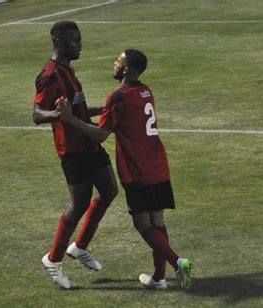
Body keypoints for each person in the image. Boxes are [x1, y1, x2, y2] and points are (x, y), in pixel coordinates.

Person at [57, 49, 193, 290]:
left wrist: (71, 120)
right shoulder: (145, 91)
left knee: (143, 225)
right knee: (158, 222)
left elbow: (100, 135)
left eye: (118, 61)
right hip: (158, 165)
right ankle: (159, 279)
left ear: (127, 68)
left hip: (137, 169)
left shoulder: (118, 96)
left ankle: (177, 262)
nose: (114, 64)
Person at [33, 21, 118, 289]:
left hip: (89, 143)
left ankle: (79, 247)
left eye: (80, 40)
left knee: (109, 191)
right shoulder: (49, 75)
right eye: (75, 40)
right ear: (59, 41)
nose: (80, 44)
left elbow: (77, 111)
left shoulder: (69, 71)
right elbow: (37, 114)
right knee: (78, 204)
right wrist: (61, 115)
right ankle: (53, 259)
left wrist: (107, 110)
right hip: (72, 150)